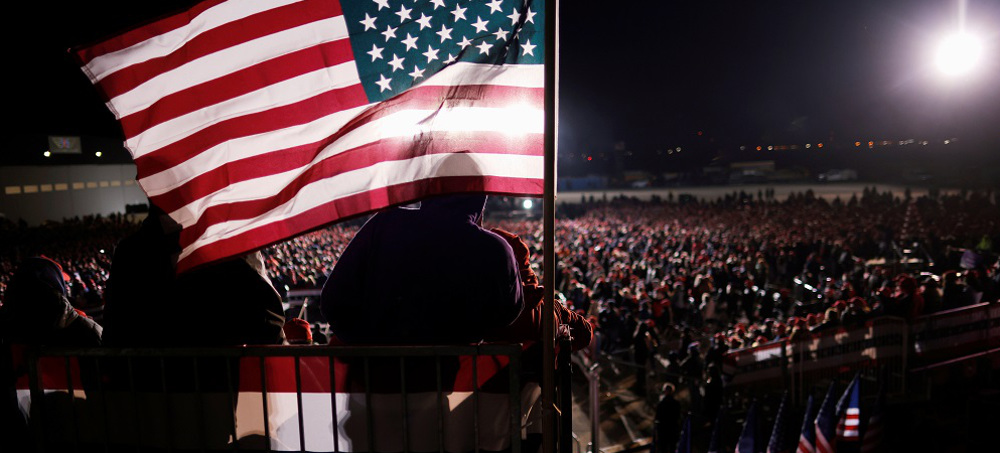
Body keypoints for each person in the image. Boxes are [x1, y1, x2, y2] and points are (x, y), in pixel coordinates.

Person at [321, 194, 525, 344]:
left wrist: (367, 343)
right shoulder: (494, 248)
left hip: (374, 382)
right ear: (480, 198)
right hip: (450, 386)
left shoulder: (385, 225)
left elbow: (333, 300)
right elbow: (507, 314)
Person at [654, 383, 681, 453]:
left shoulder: (661, 404)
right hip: (673, 429)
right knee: (673, 448)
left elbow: (657, 418)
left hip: (663, 430)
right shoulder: (676, 404)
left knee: (663, 448)